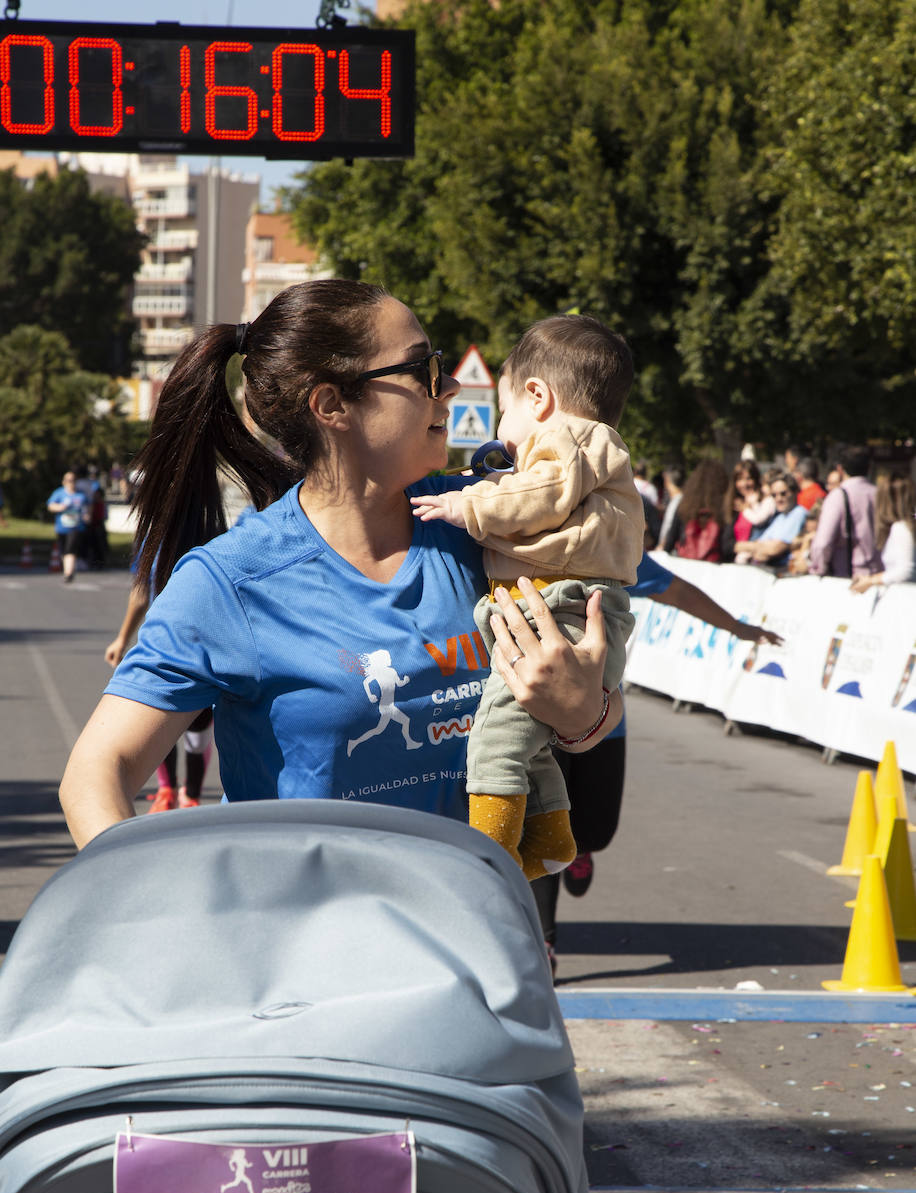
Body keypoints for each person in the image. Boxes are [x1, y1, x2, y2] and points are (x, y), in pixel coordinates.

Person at [59, 280, 614, 852]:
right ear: (331, 406)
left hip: (473, 924)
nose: (448, 385)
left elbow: (593, 688)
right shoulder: (230, 582)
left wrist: (584, 715)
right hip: (302, 933)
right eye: (422, 367)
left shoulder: (487, 524)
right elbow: (96, 774)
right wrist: (151, 910)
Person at [410, 313, 643, 880]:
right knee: (525, 741)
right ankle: (551, 837)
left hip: (560, 611)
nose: (502, 432)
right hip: (569, 612)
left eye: (504, 412)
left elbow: (540, 493)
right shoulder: (591, 452)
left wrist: (471, 506)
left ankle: (488, 857)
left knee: (494, 741)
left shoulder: (571, 438)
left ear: (538, 396)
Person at [531, 551, 784, 957]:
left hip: (602, 714)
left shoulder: (608, 541)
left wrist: (737, 628)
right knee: (544, 833)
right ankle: (543, 943)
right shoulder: (509, 539)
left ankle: (584, 848)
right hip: (532, 713)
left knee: (594, 830)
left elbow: (677, 590)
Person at [104, 581, 214, 810]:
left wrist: (123, 639)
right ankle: (172, 791)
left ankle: (185, 794)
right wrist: (122, 638)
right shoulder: (154, 547)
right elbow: (141, 592)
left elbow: (140, 595)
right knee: (170, 724)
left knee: (187, 728)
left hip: (192, 649)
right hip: (174, 650)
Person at [807, 448, 881, 579]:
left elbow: (823, 543)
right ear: (869, 468)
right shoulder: (880, 495)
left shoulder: (838, 496)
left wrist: (818, 569)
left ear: (840, 469)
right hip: (879, 576)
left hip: (848, 578)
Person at [851, 473, 916, 590]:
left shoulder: (901, 528)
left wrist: (871, 581)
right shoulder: (904, 527)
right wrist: (870, 579)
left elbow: (906, 571)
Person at [732, 470, 807, 568]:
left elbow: (775, 549)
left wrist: (751, 548)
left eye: (783, 493)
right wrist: (760, 548)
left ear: (795, 492)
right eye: (774, 495)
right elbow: (757, 544)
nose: (778, 498)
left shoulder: (799, 513)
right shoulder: (780, 517)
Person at [663, 458, 731, 561]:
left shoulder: (685, 506)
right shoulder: (724, 509)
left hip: (687, 565)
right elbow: (726, 547)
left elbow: (670, 540)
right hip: (715, 567)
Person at [725, 457, 775, 564]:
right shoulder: (733, 506)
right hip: (736, 562)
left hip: (759, 561)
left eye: (748, 479)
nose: (744, 484)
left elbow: (759, 521)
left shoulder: (765, 501)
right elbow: (727, 544)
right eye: (740, 479)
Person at [46, 471, 89, 583]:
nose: (71, 483)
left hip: (76, 527)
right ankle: (67, 570)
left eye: (73, 480)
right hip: (61, 527)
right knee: (63, 550)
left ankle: (68, 573)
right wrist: (61, 507)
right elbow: (50, 506)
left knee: (70, 548)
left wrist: (87, 516)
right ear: (64, 482)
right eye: (69, 480)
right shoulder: (59, 493)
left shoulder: (81, 495)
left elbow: (87, 508)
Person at [655, 465, 684, 550]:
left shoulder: (677, 502)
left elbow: (670, 529)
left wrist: (661, 547)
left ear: (666, 479)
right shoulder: (679, 500)